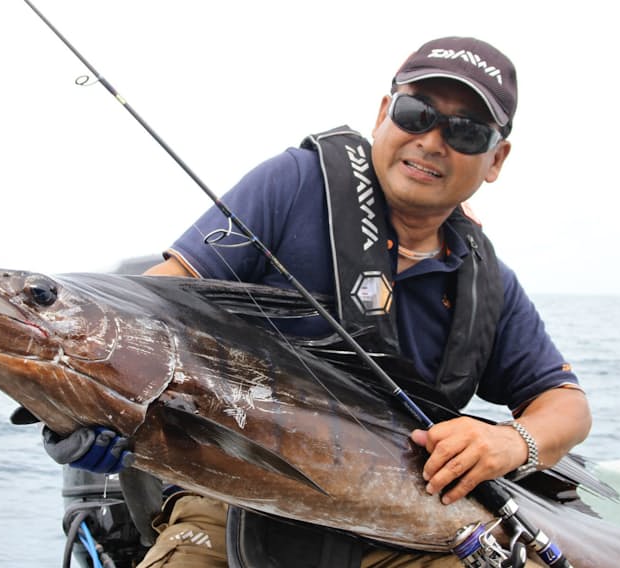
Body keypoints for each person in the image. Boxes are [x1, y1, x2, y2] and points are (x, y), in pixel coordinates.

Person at [47, 36, 591, 568]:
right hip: (237, 500)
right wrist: (76, 413)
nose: (431, 141)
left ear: (496, 159)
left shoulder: (484, 281)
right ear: (383, 114)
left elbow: (566, 406)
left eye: (465, 131)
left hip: (409, 522)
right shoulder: (294, 185)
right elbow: (149, 305)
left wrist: (512, 442)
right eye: (416, 113)